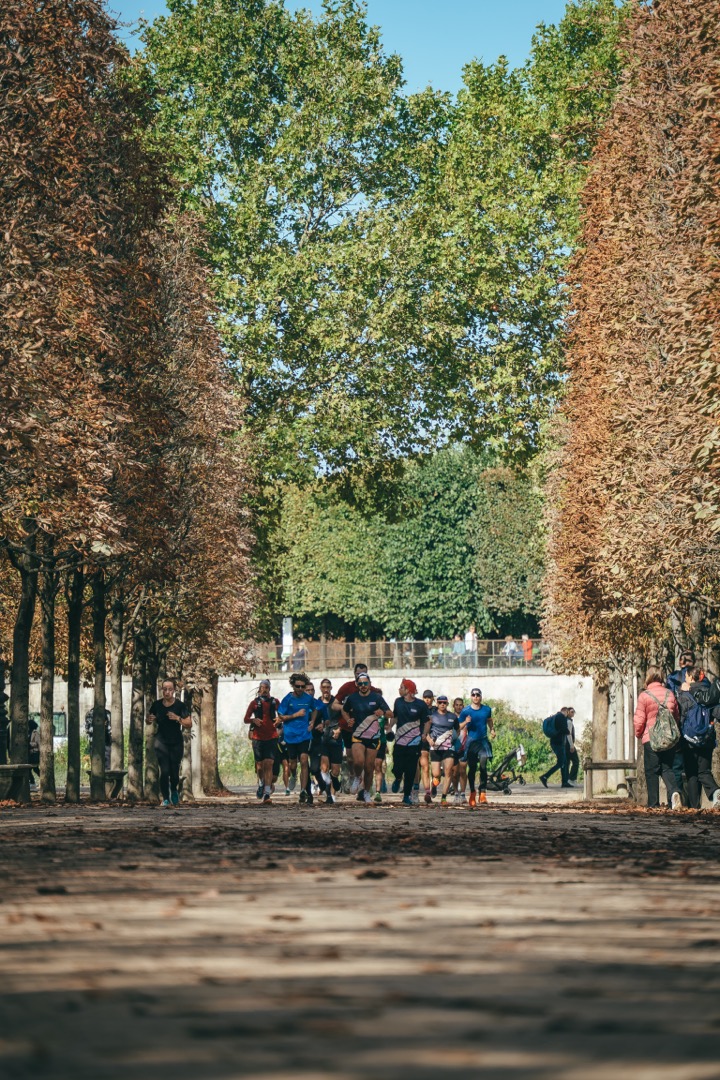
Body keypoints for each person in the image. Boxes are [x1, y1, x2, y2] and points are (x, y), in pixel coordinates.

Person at [633, 668, 682, 810]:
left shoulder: (644, 696)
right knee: (667, 768)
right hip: (668, 738)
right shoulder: (670, 693)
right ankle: (674, 793)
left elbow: (639, 719)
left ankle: (653, 804)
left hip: (651, 738)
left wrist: (639, 734)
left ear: (648, 678)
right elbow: (676, 716)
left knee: (651, 771)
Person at [341, 673, 392, 804]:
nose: (363, 686)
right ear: (357, 685)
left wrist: (383, 713)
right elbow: (344, 710)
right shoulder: (352, 698)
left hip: (373, 736)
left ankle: (366, 792)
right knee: (358, 762)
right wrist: (348, 720)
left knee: (369, 767)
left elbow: (390, 713)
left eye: (365, 683)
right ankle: (358, 777)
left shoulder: (377, 697)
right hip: (358, 734)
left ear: (369, 683)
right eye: (361, 683)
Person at [677, 666, 720, 809]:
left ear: (690, 678)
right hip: (706, 738)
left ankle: (694, 807)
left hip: (688, 740)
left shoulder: (684, 694)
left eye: (686, 676)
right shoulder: (709, 693)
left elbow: (680, 716)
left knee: (691, 774)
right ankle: (715, 792)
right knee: (704, 771)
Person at [147, 678, 192, 806]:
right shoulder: (157, 705)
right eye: (165, 689)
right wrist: (150, 719)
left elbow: (189, 723)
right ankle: (165, 798)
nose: (167, 692)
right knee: (164, 771)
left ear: (174, 690)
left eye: (170, 689)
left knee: (174, 771)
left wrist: (178, 718)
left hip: (176, 742)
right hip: (161, 742)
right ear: (162, 690)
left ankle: (173, 789)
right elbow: (149, 719)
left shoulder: (180, 705)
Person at [278, 674, 316, 804]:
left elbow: (315, 708)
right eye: (297, 686)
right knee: (293, 764)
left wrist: (312, 721)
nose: (300, 688)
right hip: (290, 735)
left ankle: (303, 790)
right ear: (293, 686)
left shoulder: (308, 698)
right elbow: (281, 717)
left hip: (304, 735)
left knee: (305, 760)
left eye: (302, 686)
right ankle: (293, 775)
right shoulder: (287, 699)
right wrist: (296, 714)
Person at [390, 679, 428, 806]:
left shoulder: (420, 705)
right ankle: (398, 777)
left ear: (408, 691)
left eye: (401, 687)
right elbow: (395, 717)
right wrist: (390, 727)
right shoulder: (398, 702)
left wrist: (424, 734)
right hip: (400, 740)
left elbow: (427, 721)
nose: (399, 689)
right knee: (397, 766)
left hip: (414, 742)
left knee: (411, 769)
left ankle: (406, 795)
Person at [244, 679, 280, 804]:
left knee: (269, 764)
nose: (264, 690)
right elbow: (246, 718)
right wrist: (253, 721)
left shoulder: (275, 702)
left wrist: (280, 719)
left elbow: (282, 715)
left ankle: (267, 793)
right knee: (260, 767)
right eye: (262, 688)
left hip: (272, 736)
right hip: (258, 738)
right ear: (259, 689)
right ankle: (260, 782)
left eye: (266, 687)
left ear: (269, 689)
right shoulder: (254, 703)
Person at [458, 688, 494, 807]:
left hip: (483, 741)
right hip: (471, 742)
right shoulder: (465, 711)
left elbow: (489, 720)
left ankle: (482, 792)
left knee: (483, 766)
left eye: (478, 695)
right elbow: (458, 726)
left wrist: (492, 730)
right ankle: (472, 792)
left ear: (481, 697)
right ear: (471, 697)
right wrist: (466, 722)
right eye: (473, 695)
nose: (475, 697)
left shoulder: (486, 709)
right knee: (472, 768)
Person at [425, 694, 459, 807]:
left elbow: (457, 730)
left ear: (447, 704)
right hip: (435, 747)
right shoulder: (431, 716)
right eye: (440, 703)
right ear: (437, 704)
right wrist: (429, 740)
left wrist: (452, 739)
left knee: (449, 771)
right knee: (436, 774)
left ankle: (444, 797)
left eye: (444, 702)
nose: (442, 704)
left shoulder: (453, 717)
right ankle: (434, 784)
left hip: (448, 747)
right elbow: (426, 731)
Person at [317, 678, 342, 803]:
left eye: (328, 687)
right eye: (324, 687)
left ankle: (334, 786)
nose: (326, 690)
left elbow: (344, 718)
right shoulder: (317, 703)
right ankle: (329, 795)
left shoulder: (336, 702)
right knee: (324, 767)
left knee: (335, 770)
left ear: (331, 688)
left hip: (336, 739)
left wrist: (339, 730)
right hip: (323, 739)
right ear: (321, 689)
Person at [539, 707, 573, 789]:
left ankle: (564, 782)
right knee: (561, 762)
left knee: (564, 762)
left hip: (555, 742)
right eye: (568, 712)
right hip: (558, 743)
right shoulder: (561, 717)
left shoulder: (555, 716)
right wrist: (568, 731)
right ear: (566, 711)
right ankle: (545, 776)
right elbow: (564, 730)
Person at [452, 696, 468, 804]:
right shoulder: (450, 717)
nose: (458, 707)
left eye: (460, 705)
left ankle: (462, 793)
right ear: (453, 706)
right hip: (453, 747)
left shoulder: (467, 717)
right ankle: (455, 792)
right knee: (454, 772)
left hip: (464, 746)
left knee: (463, 770)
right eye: (456, 705)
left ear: (463, 706)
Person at [566, 708, 579, 783]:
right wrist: (571, 745)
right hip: (568, 744)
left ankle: (566, 779)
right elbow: (568, 734)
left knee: (567, 762)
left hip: (564, 745)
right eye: (571, 712)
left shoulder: (566, 721)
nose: (573, 713)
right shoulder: (568, 722)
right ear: (568, 712)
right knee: (576, 761)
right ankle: (572, 778)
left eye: (574, 712)